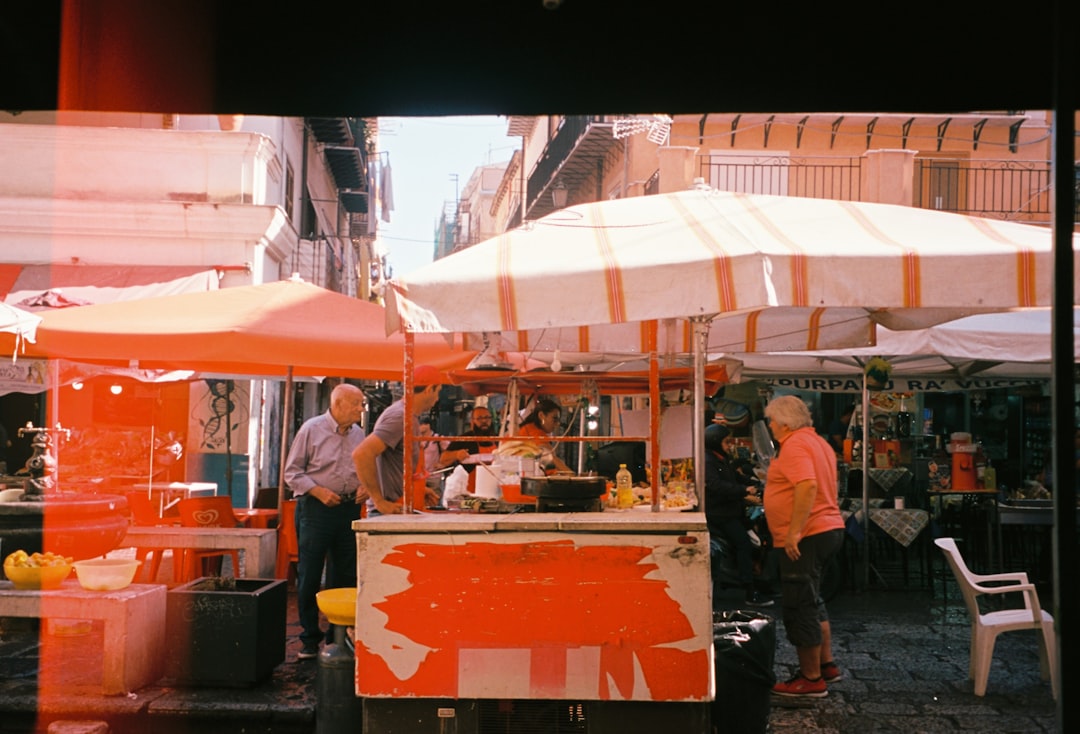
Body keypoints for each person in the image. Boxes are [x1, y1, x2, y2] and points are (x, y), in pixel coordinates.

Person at [762, 395, 846, 699]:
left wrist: (794, 531)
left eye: (772, 420)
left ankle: (810, 680)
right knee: (813, 597)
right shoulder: (819, 442)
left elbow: (808, 485)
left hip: (808, 533)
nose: (770, 426)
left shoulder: (795, 444)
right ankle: (826, 665)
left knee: (800, 604)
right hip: (827, 527)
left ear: (784, 423)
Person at [283, 382, 367, 660]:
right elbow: (292, 472)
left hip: (348, 509)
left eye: (361, 404)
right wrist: (318, 491)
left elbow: (366, 469)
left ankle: (337, 636)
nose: (360, 409)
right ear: (339, 404)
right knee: (310, 573)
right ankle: (309, 639)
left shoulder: (359, 434)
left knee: (343, 574)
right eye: (356, 404)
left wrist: (365, 486)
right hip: (316, 509)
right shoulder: (312, 429)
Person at [353, 364, 445, 516]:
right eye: (438, 392)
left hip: (397, 508)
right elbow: (361, 454)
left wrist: (419, 490)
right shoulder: (400, 417)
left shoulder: (408, 416)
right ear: (429, 389)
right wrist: (379, 501)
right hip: (387, 513)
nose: (437, 398)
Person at [703, 423, 771, 607]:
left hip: (731, 509)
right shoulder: (708, 461)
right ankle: (749, 592)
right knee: (743, 544)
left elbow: (734, 476)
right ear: (716, 442)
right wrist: (743, 490)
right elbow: (716, 485)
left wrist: (755, 481)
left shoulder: (720, 458)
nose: (729, 445)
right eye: (726, 441)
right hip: (720, 513)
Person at [442, 405, 498, 493]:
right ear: (472, 421)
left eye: (487, 418)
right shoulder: (464, 439)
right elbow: (443, 459)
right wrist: (456, 454)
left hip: (494, 490)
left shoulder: (498, 439)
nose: (484, 421)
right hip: (469, 493)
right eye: (479, 418)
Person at [516, 398, 572, 473]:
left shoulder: (530, 428)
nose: (557, 424)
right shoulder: (535, 432)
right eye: (554, 419)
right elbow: (553, 459)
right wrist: (572, 476)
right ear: (541, 415)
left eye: (558, 420)